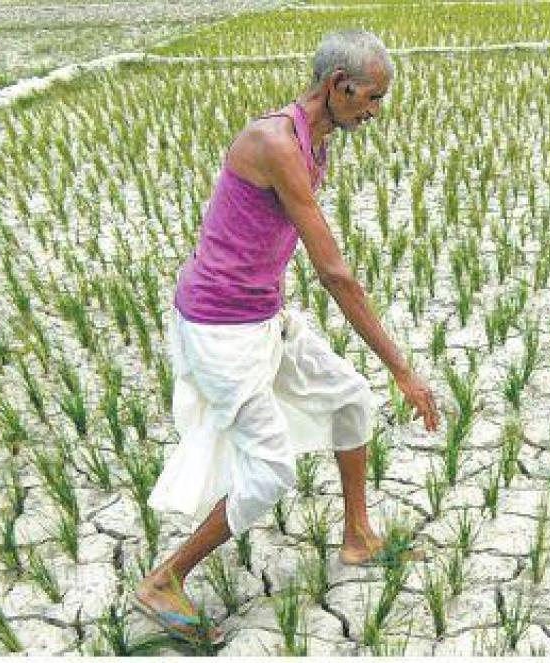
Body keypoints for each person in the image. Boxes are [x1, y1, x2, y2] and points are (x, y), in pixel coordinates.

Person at [132, 29, 440, 644]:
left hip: (263, 313)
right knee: (268, 472)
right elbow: (335, 273)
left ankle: (358, 537)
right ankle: (163, 580)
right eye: (372, 98)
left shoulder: (314, 143)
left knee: (350, 399)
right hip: (222, 326)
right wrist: (402, 369)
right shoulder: (273, 141)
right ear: (337, 86)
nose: (376, 112)